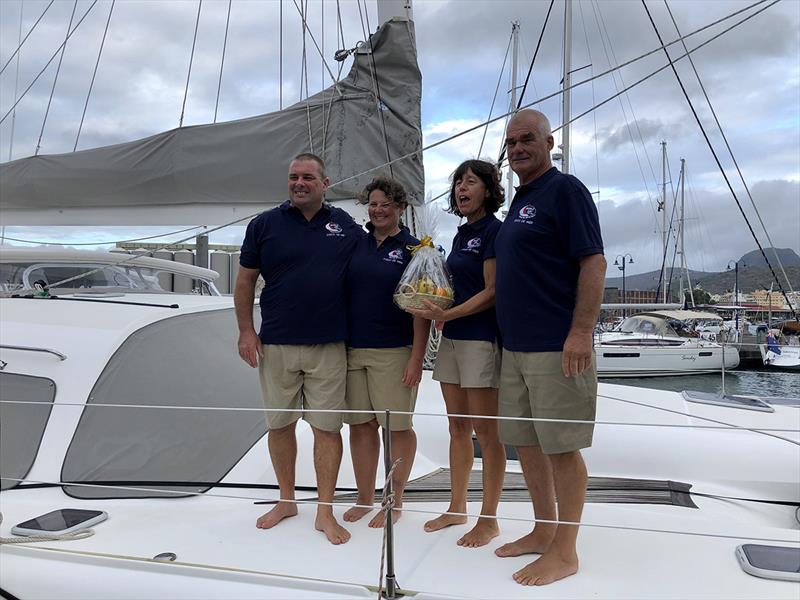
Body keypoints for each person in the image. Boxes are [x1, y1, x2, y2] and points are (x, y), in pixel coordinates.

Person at [493, 109, 606, 585]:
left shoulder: (565, 190)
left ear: (549, 142)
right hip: (515, 347)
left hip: (555, 345)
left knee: (561, 448)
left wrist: (581, 332)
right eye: (511, 141)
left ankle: (566, 549)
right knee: (526, 443)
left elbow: (594, 262)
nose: (518, 147)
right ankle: (542, 530)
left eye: (527, 139)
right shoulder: (522, 200)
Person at [234, 152, 361, 545]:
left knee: (327, 429)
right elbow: (244, 283)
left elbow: (372, 267)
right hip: (276, 343)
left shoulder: (344, 225)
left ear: (325, 184)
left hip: (328, 345)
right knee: (280, 425)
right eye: (293, 177)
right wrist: (245, 332)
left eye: (308, 177)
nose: (299, 183)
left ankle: (325, 511)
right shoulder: (264, 225)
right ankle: (286, 500)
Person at [406, 159, 507, 548]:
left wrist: (448, 313)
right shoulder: (462, 234)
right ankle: (457, 506)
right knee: (457, 428)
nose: (462, 189)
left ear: (488, 189)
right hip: (451, 338)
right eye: (458, 183)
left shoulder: (494, 233)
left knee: (488, 434)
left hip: (479, 339)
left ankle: (490, 518)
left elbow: (492, 290)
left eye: (471, 182)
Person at [342, 176, 429, 528]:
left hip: (394, 350)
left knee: (396, 427)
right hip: (352, 348)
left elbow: (422, 306)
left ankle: (394, 500)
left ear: (401, 208)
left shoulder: (415, 249)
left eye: (386, 204)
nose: (378, 210)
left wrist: (416, 358)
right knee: (361, 426)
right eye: (373, 204)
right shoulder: (354, 244)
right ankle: (365, 498)